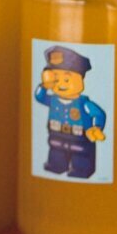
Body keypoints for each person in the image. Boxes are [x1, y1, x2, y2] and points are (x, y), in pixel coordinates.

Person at [34, 45, 106, 179]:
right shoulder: (53, 100)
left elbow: (98, 114)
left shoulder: (84, 104)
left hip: (79, 139)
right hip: (56, 136)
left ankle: (80, 170)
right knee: (56, 153)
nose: (61, 84)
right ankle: (56, 165)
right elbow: (39, 97)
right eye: (56, 79)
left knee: (81, 157)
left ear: (81, 80)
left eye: (67, 80)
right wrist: (43, 86)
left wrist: (96, 127)